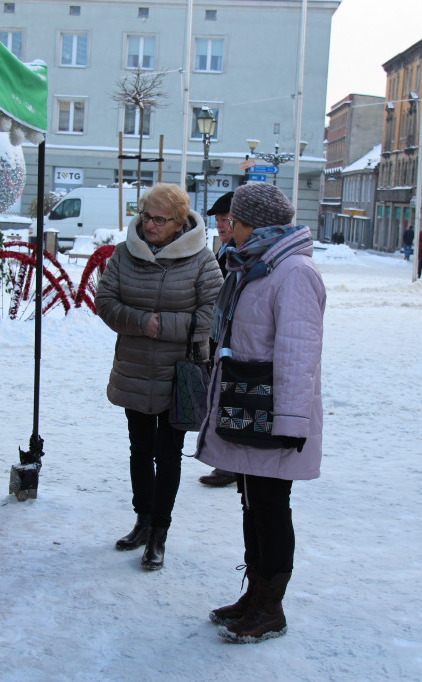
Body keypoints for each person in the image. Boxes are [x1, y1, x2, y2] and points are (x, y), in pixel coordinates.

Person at [195, 182, 325, 644]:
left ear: (259, 225)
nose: (230, 232)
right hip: (249, 408)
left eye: (238, 224)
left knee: (271, 508)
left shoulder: (293, 272)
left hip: (274, 414)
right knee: (253, 505)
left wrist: (291, 423)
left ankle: (272, 608)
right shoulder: (257, 266)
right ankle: (255, 594)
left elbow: (297, 352)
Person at [96, 183, 223, 571]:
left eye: (160, 219)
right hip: (134, 368)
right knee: (139, 449)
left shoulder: (202, 260)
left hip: (179, 374)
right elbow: (105, 302)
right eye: (146, 216)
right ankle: (142, 519)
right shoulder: (124, 254)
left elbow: (212, 314)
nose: (150, 225)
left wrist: (162, 325)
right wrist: (139, 321)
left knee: (168, 454)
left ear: (179, 223)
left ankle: (159, 533)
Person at [200, 191, 237, 488]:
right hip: (217, 335)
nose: (221, 226)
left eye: (225, 220)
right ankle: (225, 462)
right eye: (218, 221)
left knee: (227, 399)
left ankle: (229, 465)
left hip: (231, 340)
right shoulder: (225, 249)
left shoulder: (238, 252)